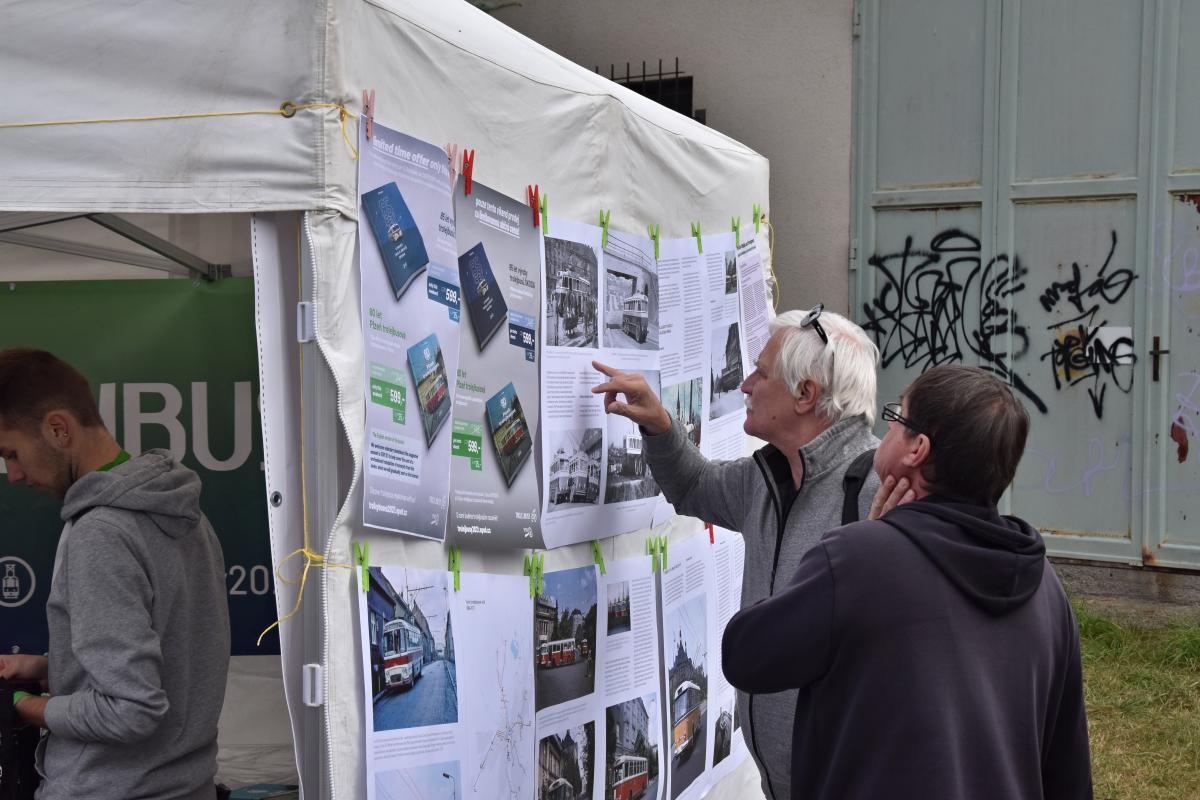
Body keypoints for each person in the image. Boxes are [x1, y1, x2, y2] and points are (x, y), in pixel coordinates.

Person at [722, 365, 1094, 799]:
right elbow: (1067, 768)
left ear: (918, 449)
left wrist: (862, 542)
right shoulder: (1045, 585)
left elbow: (746, 655)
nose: (887, 427)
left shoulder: (859, 561)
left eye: (897, 417)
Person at [594, 305, 889, 800]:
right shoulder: (768, 478)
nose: (745, 384)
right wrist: (659, 424)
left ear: (805, 394)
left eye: (762, 373)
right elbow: (695, 486)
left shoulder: (881, 491)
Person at [0, 348, 230, 800]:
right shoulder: (186, 512)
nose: (12, 474)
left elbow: (132, 710)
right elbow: (169, 666)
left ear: (58, 428)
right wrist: (50, 670)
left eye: (11, 453)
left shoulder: (99, 531)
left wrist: (20, 706)